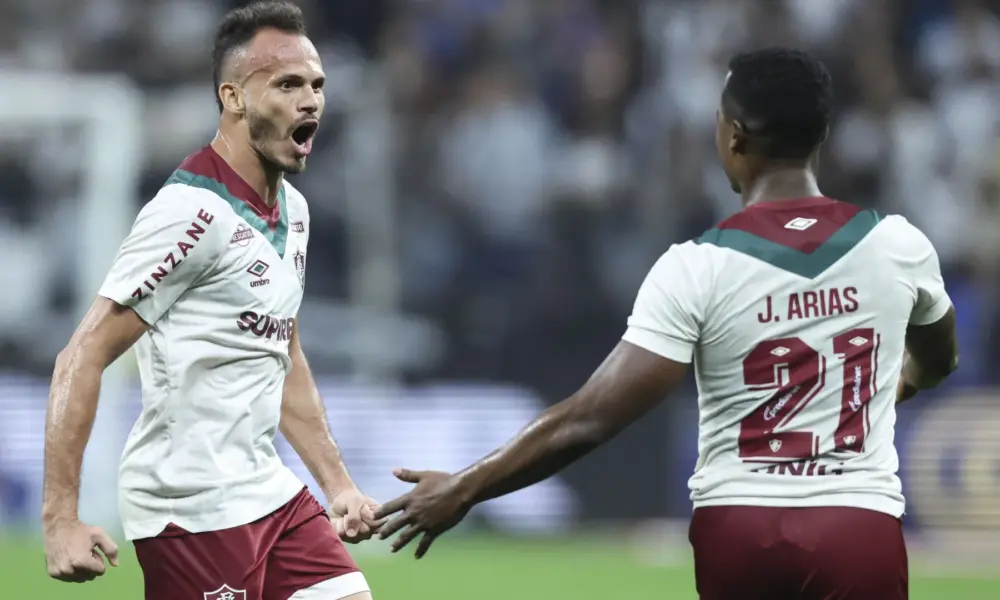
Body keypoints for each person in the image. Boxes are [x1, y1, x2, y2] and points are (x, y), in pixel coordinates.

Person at [374, 48, 959, 599]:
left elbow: (590, 418)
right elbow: (939, 358)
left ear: (732, 137)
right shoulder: (896, 245)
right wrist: (894, 385)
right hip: (858, 527)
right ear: (822, 136)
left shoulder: (698, 265)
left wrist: (465, 487)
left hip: (742, 531)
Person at [41, 2, 380, 599]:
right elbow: (82, 355)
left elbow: (284, 350)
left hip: (267, 491)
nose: (311, 101)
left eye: (317, 85)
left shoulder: (294, 212)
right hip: (189, 507)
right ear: (233, 98)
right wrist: (60, 519)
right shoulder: (188, 213)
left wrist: (338, 485)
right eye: (287, 84)